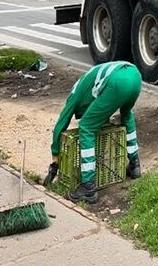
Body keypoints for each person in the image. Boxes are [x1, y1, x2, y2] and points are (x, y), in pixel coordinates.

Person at [45, 60, 142, 203]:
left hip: (118, 81)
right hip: (135, 75)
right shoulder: (87, 84)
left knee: (86, 127)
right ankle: (135, 165)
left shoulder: (74, 96)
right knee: (127, 113)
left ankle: (88, 187)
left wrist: (55, 158)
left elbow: (61, 124)